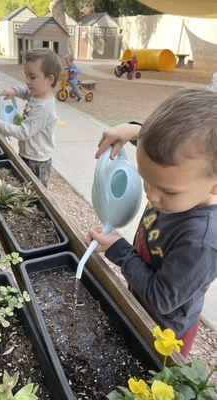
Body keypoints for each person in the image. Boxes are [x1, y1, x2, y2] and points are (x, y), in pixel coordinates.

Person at [87, 88, 217, 357]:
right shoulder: (180, 182)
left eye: (168, 191)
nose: (151, 194)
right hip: (141, 302)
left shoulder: (201, 241)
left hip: (164, 332)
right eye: (146, 178)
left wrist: (120, 251)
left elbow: (161, 298)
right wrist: (134, 130)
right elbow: (163, 146)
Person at [0, 48, 62, 187]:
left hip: (36, 161)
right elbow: (25, 91)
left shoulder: (44, 108)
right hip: (28, 153)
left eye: (32, 77)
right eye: (26, 76)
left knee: (33, 192)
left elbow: (23, 133)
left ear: (50, 79)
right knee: (22, 185)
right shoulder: (37, 93)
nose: (27, 81)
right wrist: (14, 91)